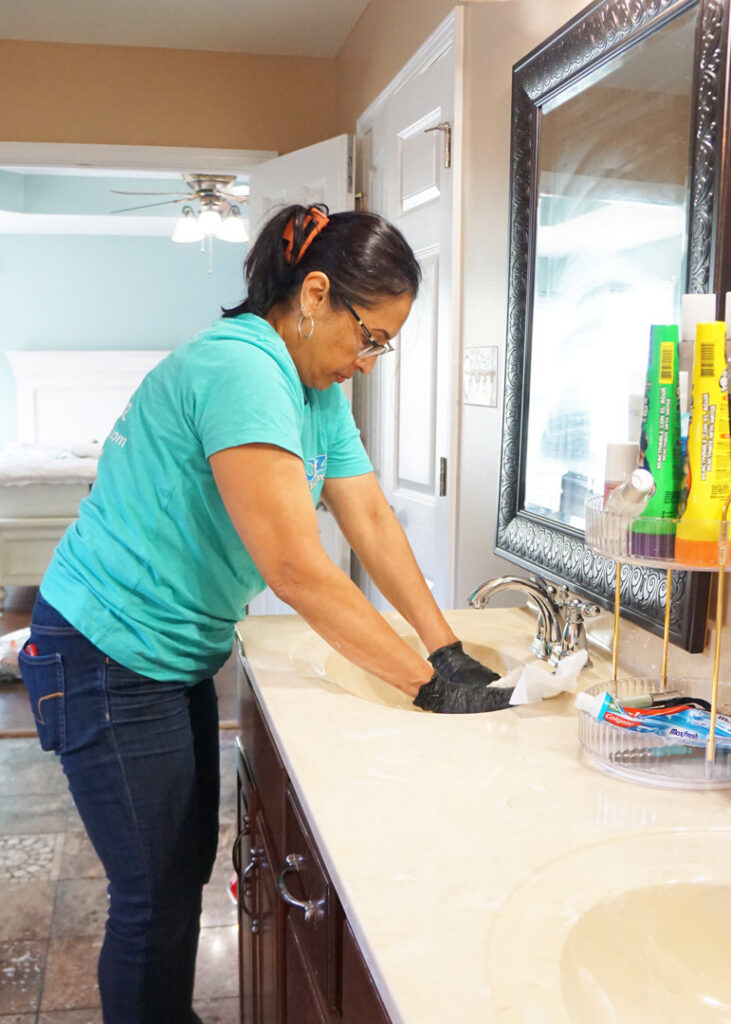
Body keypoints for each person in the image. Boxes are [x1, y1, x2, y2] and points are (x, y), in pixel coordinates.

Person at [19, 202, 511, 1024]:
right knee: (150, 895)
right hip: (104, 649)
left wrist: (446, 647)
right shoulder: (242, 368)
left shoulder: (313, 391)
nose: (370, 359)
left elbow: (372, 523)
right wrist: (426, 685)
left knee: (180, 875)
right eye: (370, 336)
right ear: (314, 293)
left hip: (172, 649)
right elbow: (292, 566)